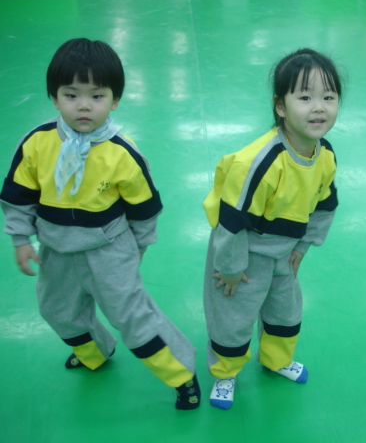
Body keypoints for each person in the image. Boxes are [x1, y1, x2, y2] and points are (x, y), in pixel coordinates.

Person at [0, 38, 200, 410]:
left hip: (110, 250)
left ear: (115, 99)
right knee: (56, 310)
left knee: (133, 319)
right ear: (54, 98)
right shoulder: (36, 142)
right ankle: (95, 352)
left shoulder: (122, 152)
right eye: (71, 95)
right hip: (56, 250)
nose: (84, 105)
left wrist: (139, 246)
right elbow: (19, 194)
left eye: (97, 95)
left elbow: (144, 208)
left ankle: (182, 375)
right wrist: (20, 238)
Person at [202, 48, 341, 410]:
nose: (319, 108)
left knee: (286, 312)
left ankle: (276, 360)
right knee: (232, 318)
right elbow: (231, 223)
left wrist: (303, 246)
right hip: (243, 255)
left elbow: (325, 205)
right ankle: (226, 373)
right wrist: (230, 269)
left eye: (329, 97)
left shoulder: (325, 154)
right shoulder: (259, 161)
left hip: (284, 252)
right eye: (305, 97)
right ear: (280, 106)